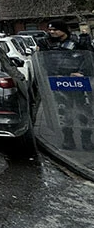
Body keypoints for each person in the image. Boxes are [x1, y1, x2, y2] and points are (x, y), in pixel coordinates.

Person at [38, 20, 93, 150]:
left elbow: (89, 58)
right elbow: (45, 61)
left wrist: (81, 72)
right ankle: (68, 140)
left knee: (84, 112)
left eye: (55, 29)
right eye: (50, 30)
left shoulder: (77, 42)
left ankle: (86, 140)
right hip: (59, 81)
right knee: (63, 112)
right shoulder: (46, 43)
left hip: (79, 82)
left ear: (63, 30)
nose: (52, 32)